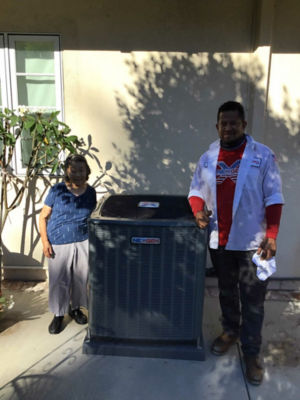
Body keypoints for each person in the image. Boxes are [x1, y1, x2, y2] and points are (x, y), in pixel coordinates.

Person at [188, 101, 283, 385]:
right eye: (223, 123)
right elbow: (196, 190)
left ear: (243, 125)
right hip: (220, 241)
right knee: (227, 292)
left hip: (254, 243)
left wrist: (273, 234)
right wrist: (197, 210)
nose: (228, 127)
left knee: (253, 301)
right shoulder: (208, 157)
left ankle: (252, 352)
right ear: (217, 126)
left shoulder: (263, 156)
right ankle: (230, 331)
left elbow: (274, 197)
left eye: (233, 122)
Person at [39, 154, 96, 335]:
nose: (78, 174)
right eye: (73, 170)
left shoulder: (91, 192)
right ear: (67, 171)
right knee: (59, 280)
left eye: (81, 170)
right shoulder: (57, 190)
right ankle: (58, 314)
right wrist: (45, 241)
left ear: (86, 171)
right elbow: (43, 217)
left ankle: (76, 308)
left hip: (82, 240)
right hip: (58, 241)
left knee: (80, 279)